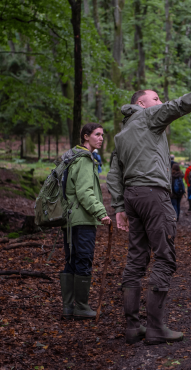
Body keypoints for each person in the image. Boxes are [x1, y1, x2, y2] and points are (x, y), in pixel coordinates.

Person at [107, 69, 191, 345]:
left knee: (135, 260)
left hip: (132, 197)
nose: (160, 101)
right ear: (141, 103)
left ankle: (133, 327)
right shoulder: (148, 116)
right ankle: (155, 327)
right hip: (153, 196)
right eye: (155, 98)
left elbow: (114, 174)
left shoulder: (122, 134)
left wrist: (119, 206)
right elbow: (180, 105)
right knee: (165, 257)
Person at [60, 123, 111, 320]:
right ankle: (80, 306)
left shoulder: (72, 157)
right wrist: (100, 212)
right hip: (82, 219)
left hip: (70, 219)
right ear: (85, 136)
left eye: (102, 135)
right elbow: (84, 192)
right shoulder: (84, 160)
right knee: (83, 260)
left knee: (71, 260)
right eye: (97, 135)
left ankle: (68, 307)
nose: (101, 138)